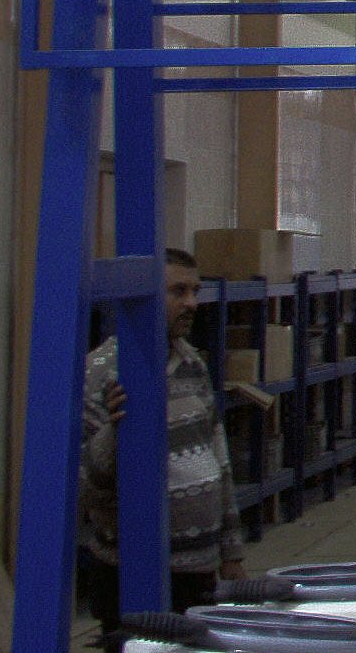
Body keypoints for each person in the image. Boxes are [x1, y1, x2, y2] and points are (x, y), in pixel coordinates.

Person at [77, 248, 246, 628]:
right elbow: (85, 487)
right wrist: (116, 432)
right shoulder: (102, 372)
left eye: (195, 291)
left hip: (199, 569)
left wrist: (231, 551)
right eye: (178, 291)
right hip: (130, 571)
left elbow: (219, 459)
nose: (192, 304)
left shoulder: (192, 364)